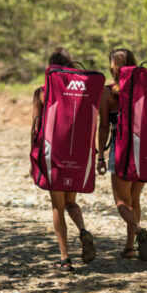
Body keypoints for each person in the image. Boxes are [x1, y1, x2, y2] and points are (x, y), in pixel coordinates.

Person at [32, 47, 96, 272]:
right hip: (77, 155)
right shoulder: (84, 90)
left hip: (55, 155)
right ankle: (83, 231)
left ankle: (65, 257)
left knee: (57, 206)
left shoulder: (42, 91)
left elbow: (36, 126)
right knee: (71, 201)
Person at [96, 48, 147, 261]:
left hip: (121, 151)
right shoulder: (145, 89)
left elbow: (103, 127)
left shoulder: (108, 93)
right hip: (144, 150)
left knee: (121, 201)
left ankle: (138, 231)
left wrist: (100, 156)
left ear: (114, 67)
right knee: (134, 200)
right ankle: (130, 248)